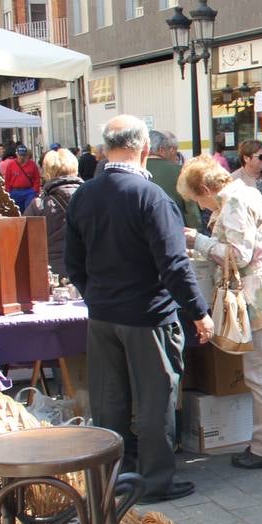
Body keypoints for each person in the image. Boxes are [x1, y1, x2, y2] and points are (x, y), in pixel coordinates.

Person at [65, 115, 213, 503]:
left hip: (103, 315)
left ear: (104, 149)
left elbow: (73, 262)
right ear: (144, 148)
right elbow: (174, 263)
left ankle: (114, 475)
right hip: (147, 315)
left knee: (109, 401)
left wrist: (95, 295)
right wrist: (198, 311)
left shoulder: (85, 195)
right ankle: (154, 480)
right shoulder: (150, 197)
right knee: (154, 401)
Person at [179, 156, 262, 469]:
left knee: (261, 373)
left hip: (258, 292)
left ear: (207, 188)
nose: (201, 206)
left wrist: (199, 242)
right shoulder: (243, 193)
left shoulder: (234, 200)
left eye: (198, 199)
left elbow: (238, 254)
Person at [25, 148, 84, 275]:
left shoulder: (39, 205)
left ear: (47, 173)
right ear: (76, 169)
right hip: (89, 268)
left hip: (53, 272)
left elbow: (27, 243)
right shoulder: (93, 199)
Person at [147, 130, 202, 230]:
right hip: (173, 230)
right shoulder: (180, 171)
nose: (174, 154)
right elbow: (191, 210)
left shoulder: (135, 171)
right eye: (169, 149)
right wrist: (196, 233)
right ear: (161, 150)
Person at [1, 144, 42, 214]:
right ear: (16, 154)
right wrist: (8, 192)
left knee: (29, 211)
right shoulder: (11, 165)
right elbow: (7, 180)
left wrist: (35, 190)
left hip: (29, 191)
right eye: (20, 155)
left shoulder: (32, 164)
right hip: (15, 191)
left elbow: (37, 178)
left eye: (23, 155)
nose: (22, 157)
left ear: (26, 155)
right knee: (17, 212)